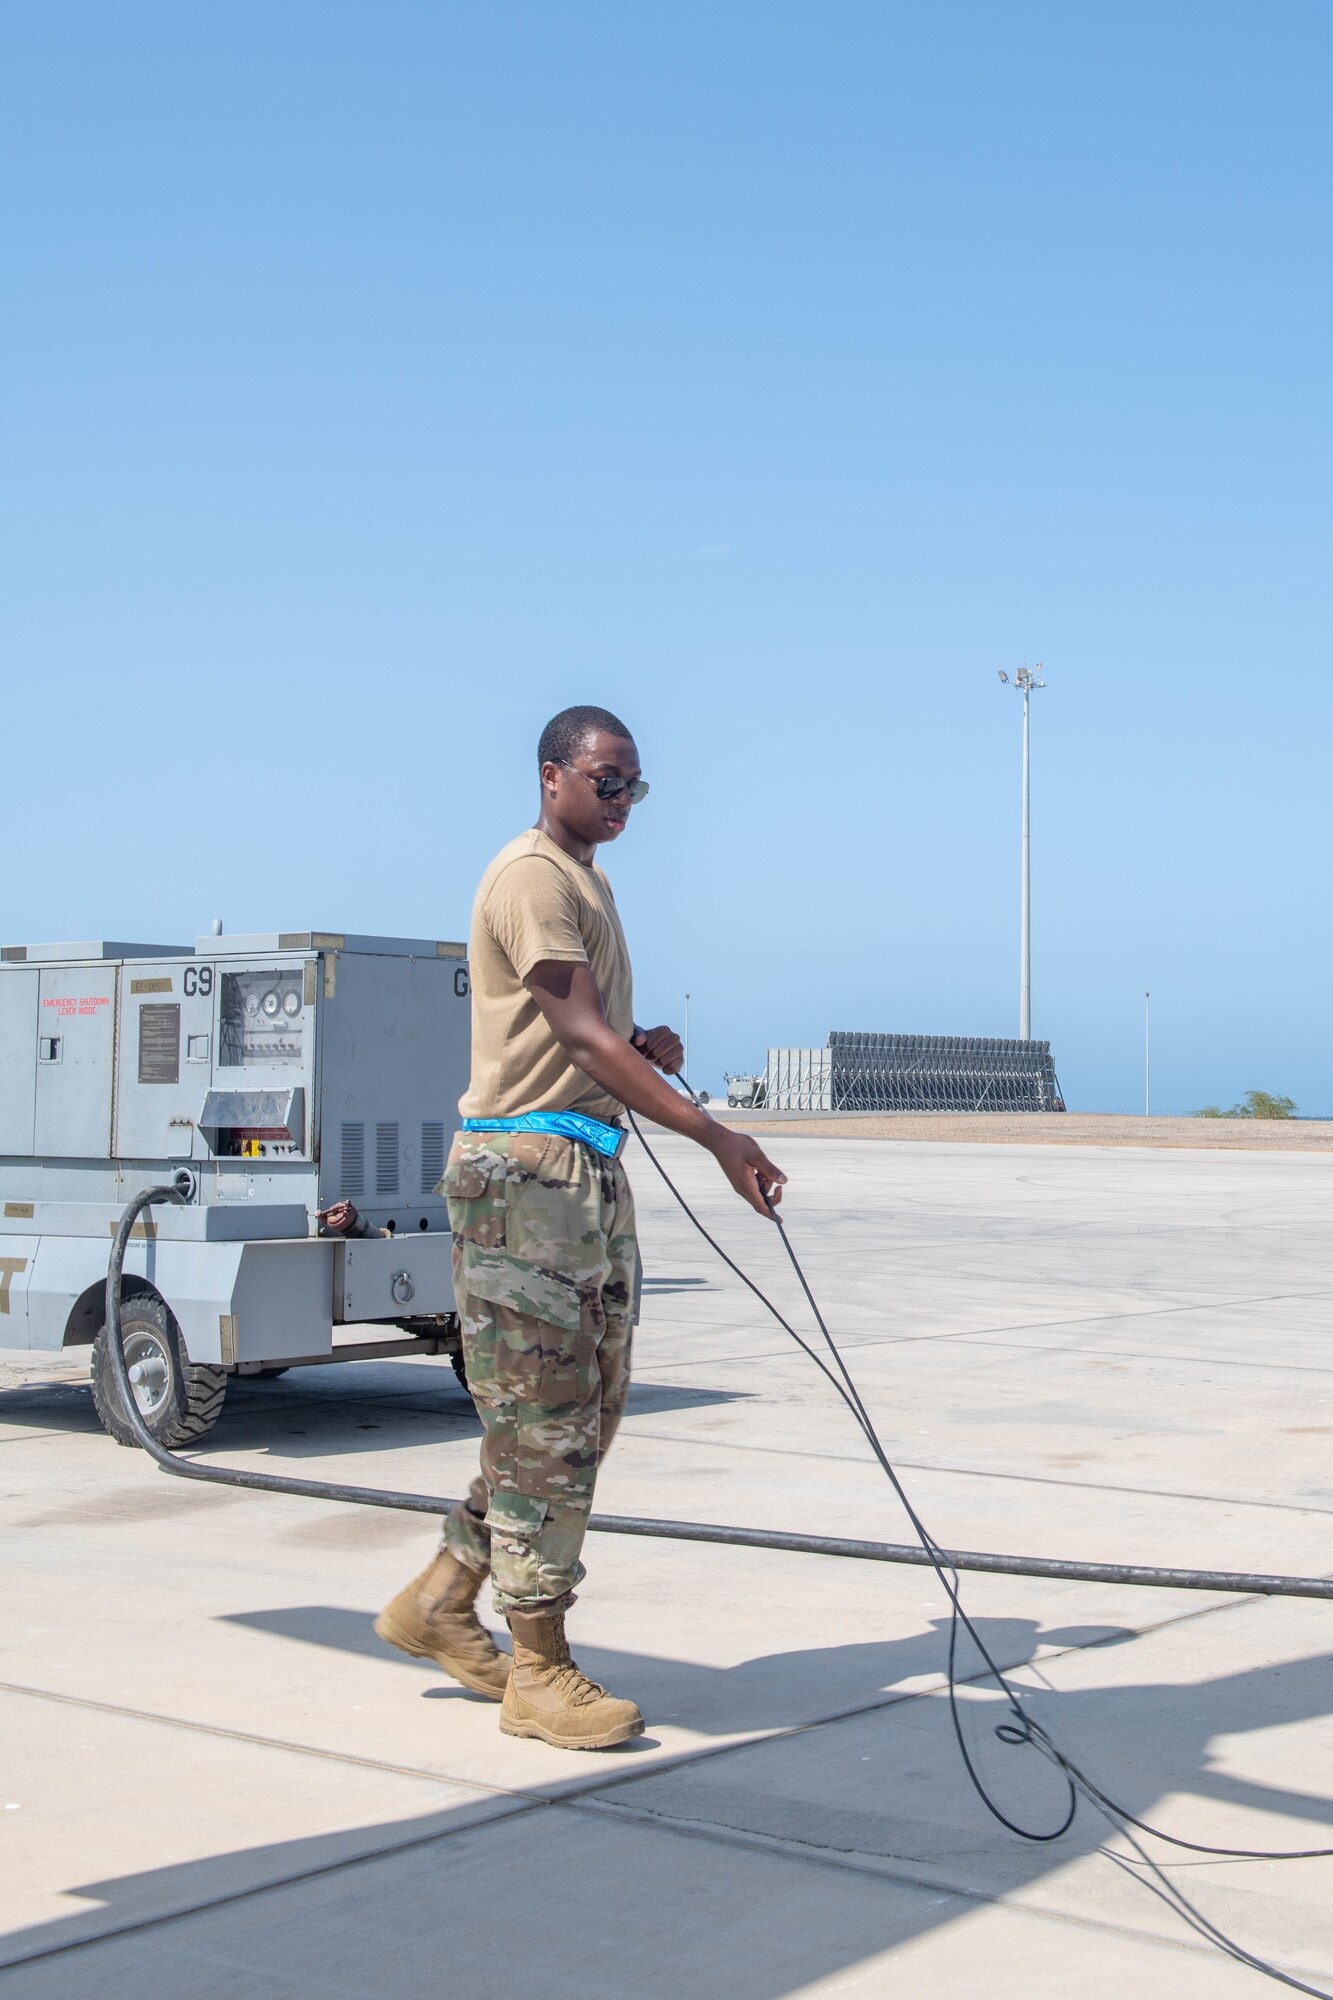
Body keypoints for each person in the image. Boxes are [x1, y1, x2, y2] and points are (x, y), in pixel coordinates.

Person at [376, 704, 786, 1749]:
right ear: (552, 774)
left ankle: (439, 1598)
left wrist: (641, 1044)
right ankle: (539, 1670)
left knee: (578, 1419)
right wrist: (715, 1133)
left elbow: (592, 1035)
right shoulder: (530, 876)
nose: (622, 800)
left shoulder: (585, 880)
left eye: (635, 785)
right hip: (527, 1176)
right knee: (544, 1427)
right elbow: (579, 1034)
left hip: (578, 1172)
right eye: (607, 780)